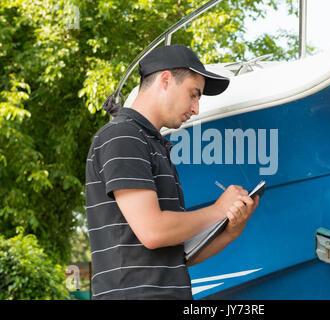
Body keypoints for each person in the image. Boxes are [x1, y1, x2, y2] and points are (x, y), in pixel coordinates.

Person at [85, 44, 259, 300]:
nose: (196, 108)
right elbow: (154, 231)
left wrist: (231, 229)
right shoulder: (122, 135)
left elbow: (179, 257)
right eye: (193, 94)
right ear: (165, 80)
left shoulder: (153, 145)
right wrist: (218, 209)